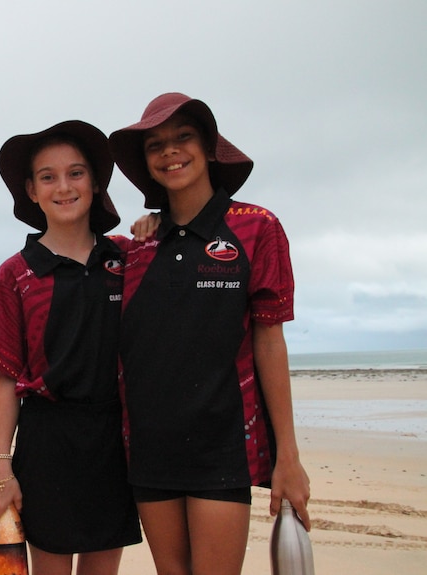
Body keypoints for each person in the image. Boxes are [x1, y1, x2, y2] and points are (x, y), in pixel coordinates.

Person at [108, 92, 311, 575]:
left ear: (209, 148)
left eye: (183, 138)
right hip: (150, 445)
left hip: (224, 443)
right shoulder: (135, 248)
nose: (170, 151)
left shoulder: (256, 228)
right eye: (155, 144)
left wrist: (289, 457)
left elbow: (268, 341)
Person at [0, 120, 143, 575]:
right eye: (48, 177)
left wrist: (157, 224)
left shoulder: (128, 258)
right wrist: (0, 466)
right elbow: (6, 376)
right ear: (31, 190)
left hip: (116, 440)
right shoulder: (16, 273)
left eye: (76, 173)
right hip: (48, 443)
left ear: (95, 182)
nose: (64, 186)